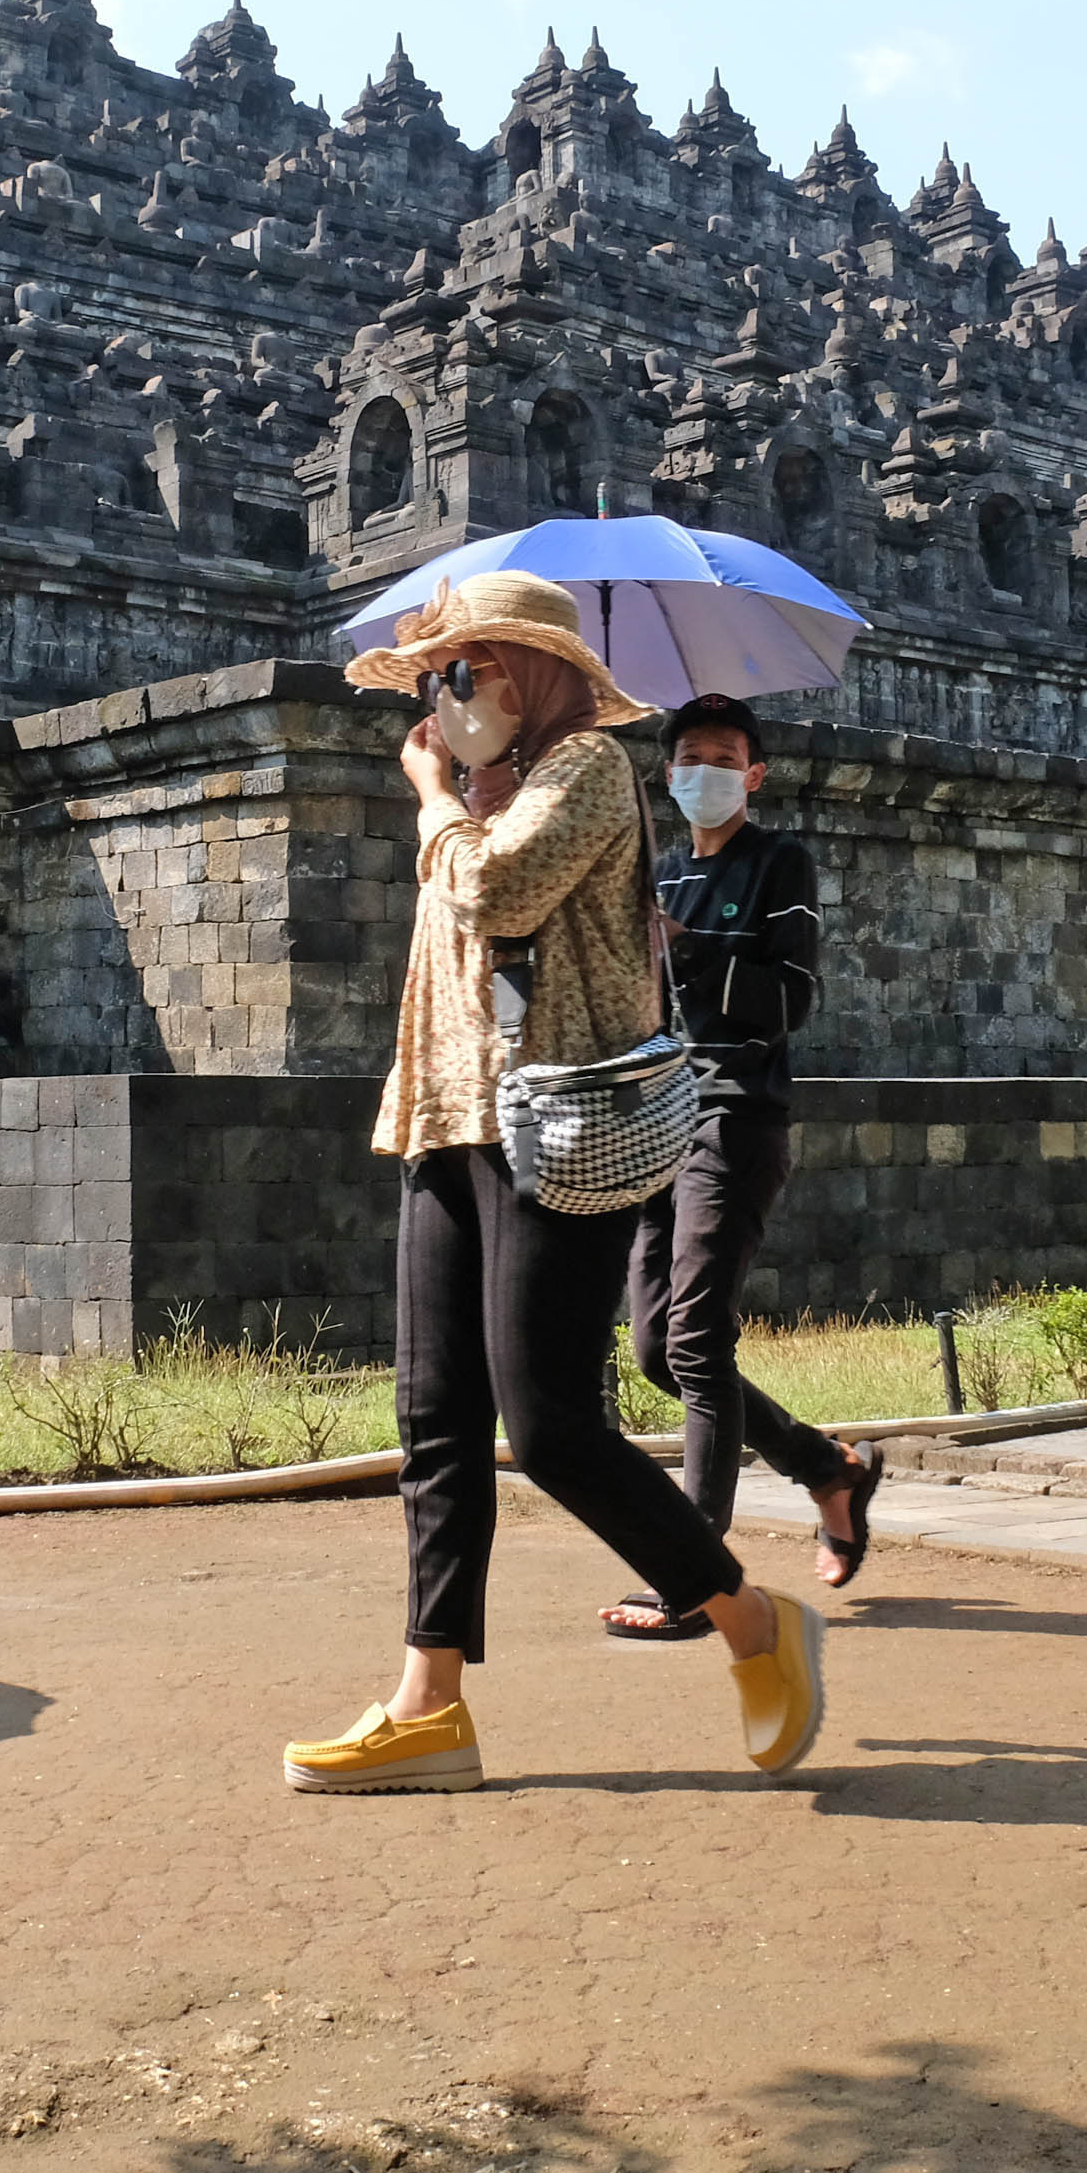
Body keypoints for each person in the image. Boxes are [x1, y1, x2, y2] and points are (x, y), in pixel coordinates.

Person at [284, 575, 827, 1794]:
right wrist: (459, 793)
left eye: (467, 669)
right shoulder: (480, 798)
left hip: (557, 1132)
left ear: (536, 677)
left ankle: (750, 1621)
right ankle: (429, 1704)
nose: (445, 694)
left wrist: (434, 799)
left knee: (555, 1426)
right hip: (442, 1119)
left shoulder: (586, 770)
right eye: (436, 676)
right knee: (434, 1421)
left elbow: (495, 893)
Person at [600, 694, 883, 1641]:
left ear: (754, 774)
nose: (703, 771)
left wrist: (687, 954)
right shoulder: (658, 872)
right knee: (653, 1350)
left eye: (722, 756)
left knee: (695, 1344)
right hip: (654, 1118)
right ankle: (827, 1468)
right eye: (687, 756)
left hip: (735, 1116)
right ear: (667, 773)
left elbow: (789, 998)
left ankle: (697, 1572)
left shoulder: (777, 863)